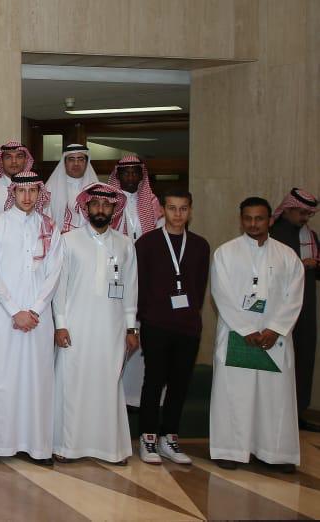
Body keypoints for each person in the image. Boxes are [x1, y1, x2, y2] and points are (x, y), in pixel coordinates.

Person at [0, 172, 63, 465]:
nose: (27, 197)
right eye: (21, 191)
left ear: (39, 194)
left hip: (38, 316)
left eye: (32, 191)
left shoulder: (50, 227)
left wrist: (33, 310)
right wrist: (15, 311)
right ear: (13, 193)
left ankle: (36, 447)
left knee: (37, 380)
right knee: (1, 377)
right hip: (4, 314)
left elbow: (54, 274)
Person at [209, 196, 306, 472]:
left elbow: (294, 297)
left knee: (274, 398)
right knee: (234, 394)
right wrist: (247, 330)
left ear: (270, 220)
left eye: (259, 218)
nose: (253, 224)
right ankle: (230, 450)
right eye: (248, 218)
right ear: (241, 219)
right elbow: (221, 294)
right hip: (237, 336)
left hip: (274, 340)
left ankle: (275, 453)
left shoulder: (287, 256)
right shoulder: (225, 253)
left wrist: (275, 328)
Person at [52, 184, 138, 464]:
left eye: (107, 205)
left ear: (115, 209)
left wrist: (130, 327)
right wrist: (60, 324)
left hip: (111, 329)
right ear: (86, 207)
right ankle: (67, 447)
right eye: (95, 204)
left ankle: (110, 449)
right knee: (72, 385)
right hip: (75, 326)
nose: (101, 210)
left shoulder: (125, 245)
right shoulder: (69, 240)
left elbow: (130, 288)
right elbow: (59, 288)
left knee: (107, 385)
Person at [134, 188, 209, 465]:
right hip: (156, 324)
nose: (178, 214)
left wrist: (189, 313)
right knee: (153, 381)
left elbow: (199, 287)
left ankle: (170, 437)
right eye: (172, 208)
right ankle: (148, 437)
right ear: (163, 210)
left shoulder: (200, 245)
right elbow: (138, 284)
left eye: (183, 208)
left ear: (190, 211)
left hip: (188, 326)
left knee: (180, 383)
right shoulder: (147, 243)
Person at [107, 155, 161, 406]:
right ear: (118, 175)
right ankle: (116, 398)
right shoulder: (108, 202)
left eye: (134, 172)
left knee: (141, 337)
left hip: (147, 274)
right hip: (115, 274)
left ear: (142, 176)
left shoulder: (151, 202)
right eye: (125, 173)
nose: (129, 177)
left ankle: (138, 400)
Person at [269, 188, 320, 431]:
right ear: (287, 209)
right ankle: (278, 411)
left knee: (304, 357)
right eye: (301, 212)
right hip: (279, 308)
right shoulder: (272, 235)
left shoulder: (310, 237)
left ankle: (298, 411)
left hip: (306, 307)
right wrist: (301, 264)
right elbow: (271, 271)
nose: (304, 218)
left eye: (308, 214)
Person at [48, 143, 98, 231]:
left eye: (80, 159)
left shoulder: (96, 188)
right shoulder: (50, 188)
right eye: (71, 159)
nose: (76, 164)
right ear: (64, 162)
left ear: (86, 162)